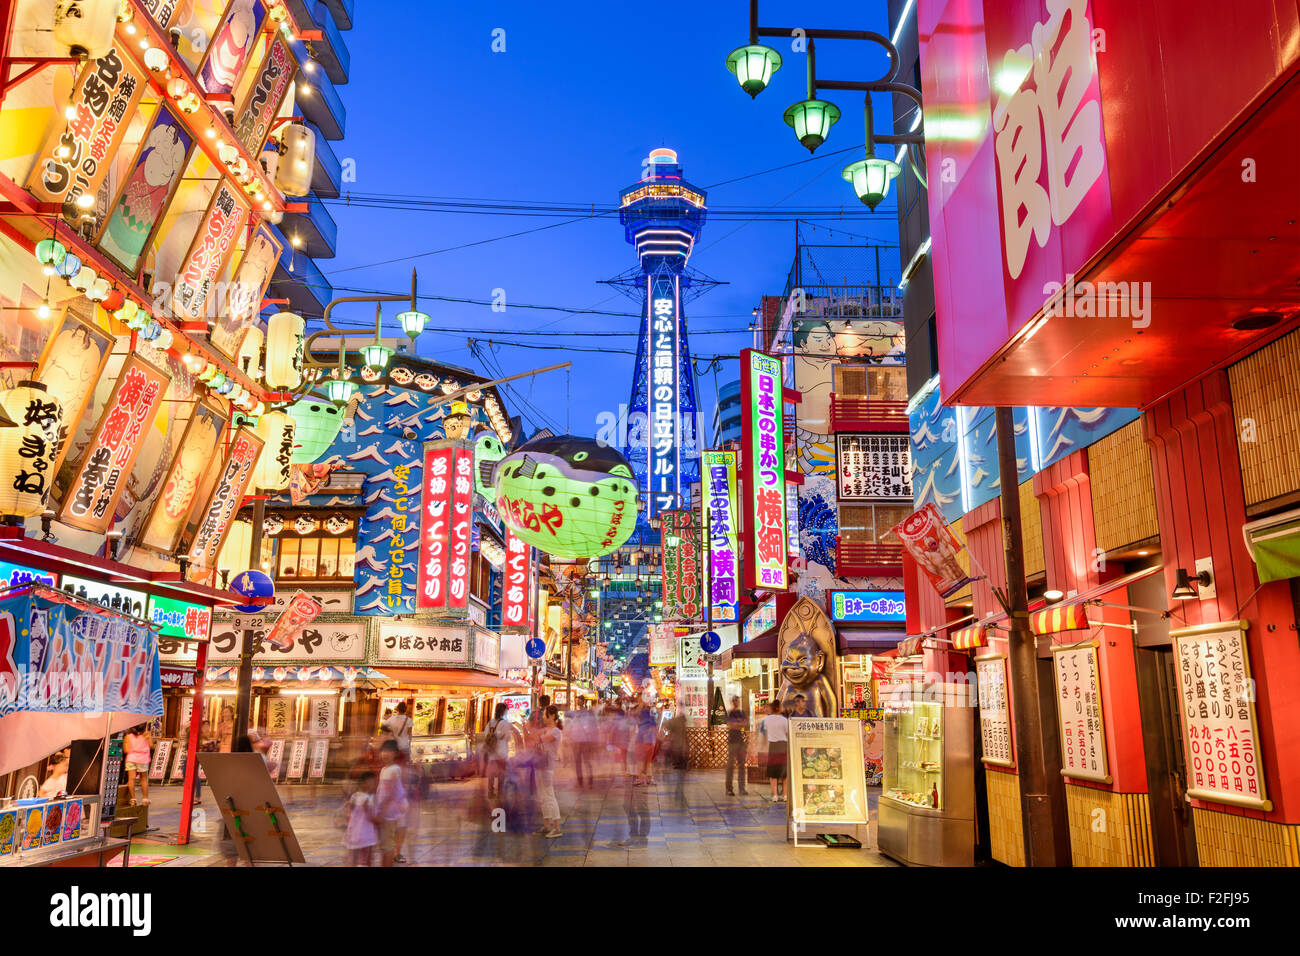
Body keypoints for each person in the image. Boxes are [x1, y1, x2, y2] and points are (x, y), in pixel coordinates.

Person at [375, 740, 408, 865]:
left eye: (389, 751)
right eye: (383, 751)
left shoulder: (394, 769)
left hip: (393, 809)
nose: (385, 754)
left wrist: (382, 811)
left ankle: (391, 858)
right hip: (388, 808)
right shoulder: (384, 769)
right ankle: (389, 858)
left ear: (395, 754)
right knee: (387, 838)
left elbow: (392, 791)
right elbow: (381, 789)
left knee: (389, 839)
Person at [535, 706, 564, 838]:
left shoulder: (556, 731)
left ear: (552, 716)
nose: (543, 717)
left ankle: (557, 828)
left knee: (549, 795)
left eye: (545, 715)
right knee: (543, 796)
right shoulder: (546, 730)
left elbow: (541, 739)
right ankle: (547, 826)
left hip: (547, 767)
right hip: (540, 766)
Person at [342, 770, 380, 866]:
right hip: (365, 834)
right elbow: (373, 818)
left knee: (355, 857)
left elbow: (348, 812)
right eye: (371, 782)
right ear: (364, 783)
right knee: (364, 858)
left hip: (355, 832)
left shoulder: (356, 796)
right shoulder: (370, 798)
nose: (373, 785)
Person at [483, 703, 517, 800]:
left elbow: (485, 735)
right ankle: (500, 793)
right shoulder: (504, 723)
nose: (507, 711)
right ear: (504, 711)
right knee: (501, 774)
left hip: (491, 753)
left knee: (492, 774)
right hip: (501, 753)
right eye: (506, 709)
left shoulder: (490, 722)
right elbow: (508, 738)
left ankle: (490, 792)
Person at [761, 701, 789, 802]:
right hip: (783, 745)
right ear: (779, 708)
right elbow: (787, 734)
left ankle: (775, 796)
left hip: (773, 746)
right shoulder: (785, 720)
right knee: (784, 773)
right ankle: (785, 795)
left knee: (773, 773)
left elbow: (766, 732)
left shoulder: (767, 720)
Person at [123, 724, 152, 805]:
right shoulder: (146, 735)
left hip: (131, 758)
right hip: (143, 759)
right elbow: (151, 745)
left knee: (131, 779)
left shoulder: (128, 736)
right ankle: (145, 799)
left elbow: (126, 750)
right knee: (143, 779)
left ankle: (133, 799)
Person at [725, 697, 748, 797]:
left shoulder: (741, 712)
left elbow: (745, 723)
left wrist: (737, 724)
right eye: (734, 701)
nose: (736, 703)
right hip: (732, 741)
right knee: (730, 765)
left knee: (742, 765)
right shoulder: (729, 713)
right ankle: (729, 789)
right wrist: (739, 724)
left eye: (737, 701)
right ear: (732, 702)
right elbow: (730, 725)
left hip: (740, 741)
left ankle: (742, 788)